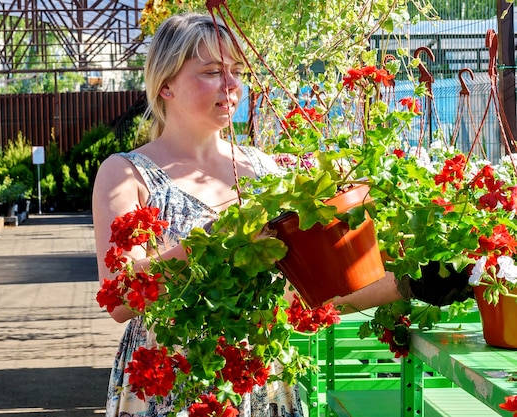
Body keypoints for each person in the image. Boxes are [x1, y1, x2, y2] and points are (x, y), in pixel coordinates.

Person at [92, 11, 470, 417]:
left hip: (259, 381)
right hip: (169, 383)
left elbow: (309, 293)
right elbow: (121, 298)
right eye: (212, 72)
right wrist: (224, 241)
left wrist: (410, 284)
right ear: (165, 85)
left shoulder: (265, 172)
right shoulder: (126, 172)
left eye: (236, 70)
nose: (231, 84)